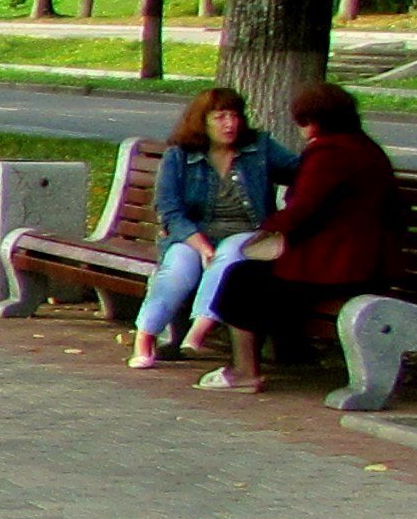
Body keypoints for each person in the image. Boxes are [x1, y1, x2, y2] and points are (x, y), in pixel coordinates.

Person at [197, 83, 398, 390]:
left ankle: (244, 371)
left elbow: (305, 208)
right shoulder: (365, 148)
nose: (302, 129)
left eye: (304, 122)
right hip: (367, 264)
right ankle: (287, 352)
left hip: (341, 268)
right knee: (258, 278)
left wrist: (266, 230)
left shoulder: (330, 153)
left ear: (315, 122)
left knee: (242, 279)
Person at [128, 86, 295, 371]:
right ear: (202, 120)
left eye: (235, 116)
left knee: (228, 255)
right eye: (220, 117)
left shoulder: (259, 147)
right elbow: (170, 210)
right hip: (194, 233)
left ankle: (199, 330)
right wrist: (202, 246)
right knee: (177, 269)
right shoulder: (179, 156)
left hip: (247, 232)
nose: (230, 124)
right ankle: (145, 339)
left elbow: (303, 170)